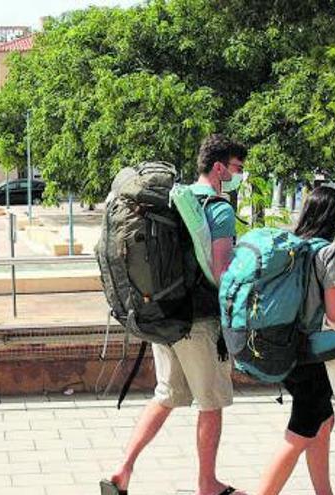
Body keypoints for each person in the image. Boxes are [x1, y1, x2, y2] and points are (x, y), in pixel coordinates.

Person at [103, 134, 248, 495]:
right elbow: (220, 271)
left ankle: (122, 470)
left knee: (167, 394)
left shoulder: (175, 199)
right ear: (219, 168)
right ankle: (207, 484)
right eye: (237, 169)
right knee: (211, 402)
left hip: (164, 313)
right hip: (198, 321)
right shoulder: (218, 207)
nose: (239, 175)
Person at [256, 186, 335, 495]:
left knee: (323, 421)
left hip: (284, 346)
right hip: (312, 356)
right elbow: (334, 310)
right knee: (300, 434)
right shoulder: (327, 253)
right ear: (334, 219)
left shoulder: (291, 246)